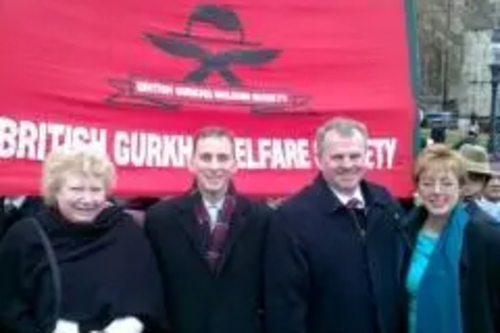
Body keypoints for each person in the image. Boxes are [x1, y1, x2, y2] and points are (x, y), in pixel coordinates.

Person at [0, 147, 166, 333]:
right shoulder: (25, 236)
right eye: (76, 189)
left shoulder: (126, 231)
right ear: (56, 191)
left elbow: (149, 296)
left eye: (96, 190)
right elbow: (9, 308)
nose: (87, 199)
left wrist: (130, 325)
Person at [264, 117, 405, 333]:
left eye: (355, 156)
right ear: (319, 160)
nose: (347, 165)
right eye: (337, 157)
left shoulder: (385, 203)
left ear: (367, 157)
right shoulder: (291, 218)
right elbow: (284, 305)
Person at [144, 126, 271, 333]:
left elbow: (272, 291)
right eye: (206, 157)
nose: (214, 166)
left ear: (235, 165)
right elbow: (150, 289)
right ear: (192, 163)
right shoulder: (160, 218)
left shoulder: (263, 219)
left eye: (222, 158)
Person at [402, 144, 500, 333]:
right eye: (428, 183)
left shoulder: (486, 236)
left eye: (447, 183)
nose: (437, 191)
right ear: (418, 188)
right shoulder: (404, 231)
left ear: (462, 188)